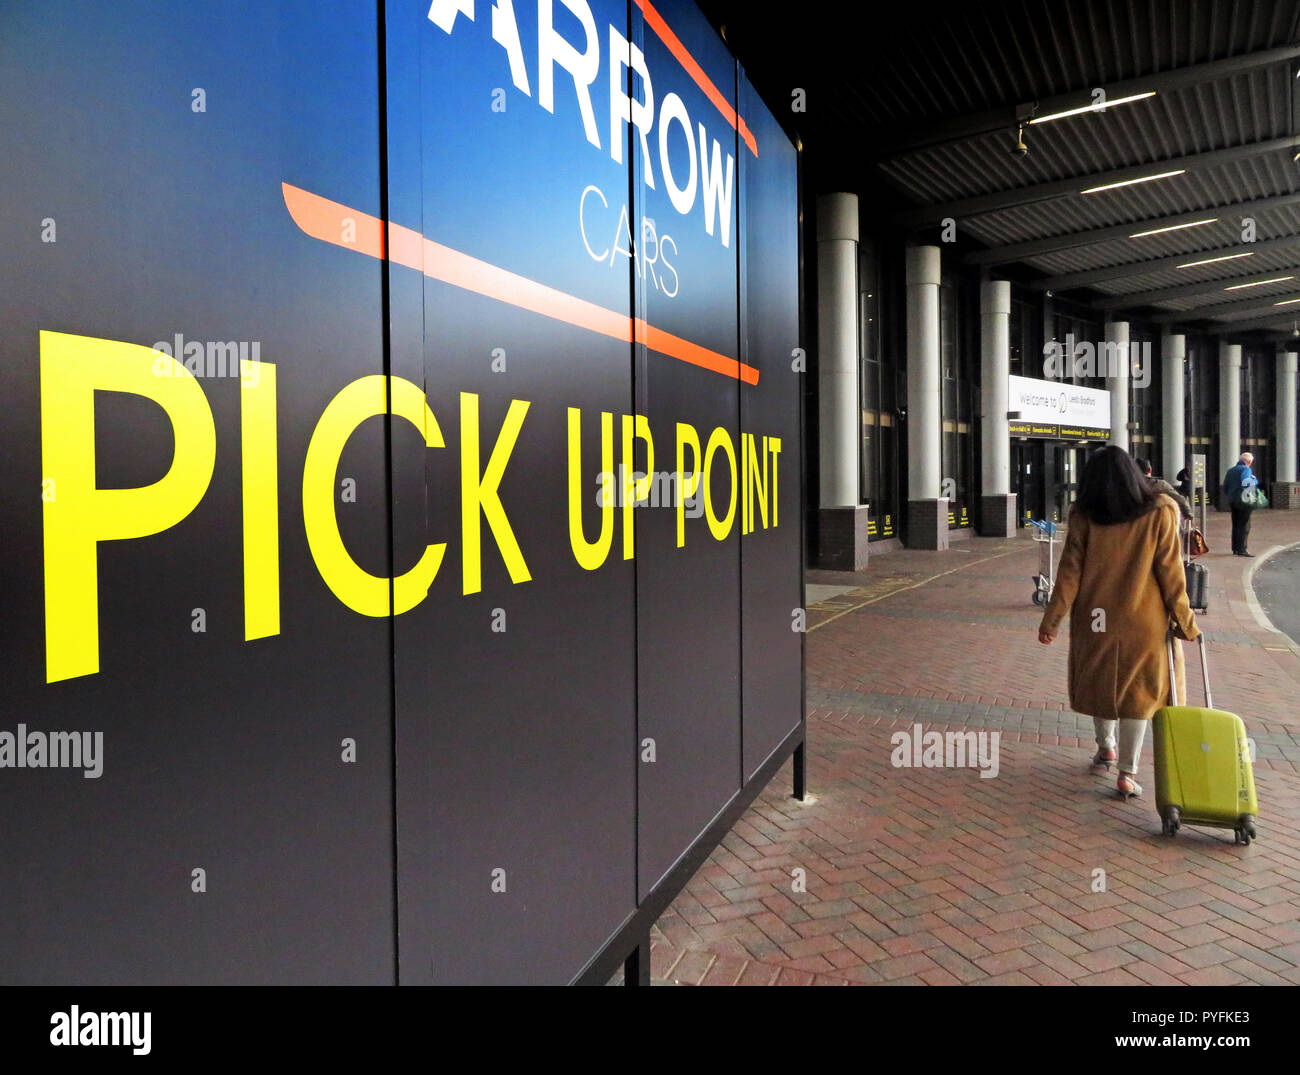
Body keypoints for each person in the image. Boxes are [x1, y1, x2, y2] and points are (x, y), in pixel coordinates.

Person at [1037, 446, 1200, 800]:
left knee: (1102, 680)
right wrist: (1186, 621)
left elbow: (1069, 572)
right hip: (1145, 620)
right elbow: (1171, 573)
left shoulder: (1084, 515)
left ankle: (1105, 746)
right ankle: (1127, 772)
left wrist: (1051, 621)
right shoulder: (1160, 511)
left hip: (1096, 618)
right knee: (1138, 693)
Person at [1222, 452, 1259, 557]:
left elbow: (1225, 486)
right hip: (1244, 501)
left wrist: (1230, 495)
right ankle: (1242, 549)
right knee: (1244, 525)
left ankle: (1235, 548)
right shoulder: (1246, 470)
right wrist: (1254, 479)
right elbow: (1246, 482)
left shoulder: (1230, 470)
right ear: (1249, 462)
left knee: (1236, 524)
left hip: (1233, 501)